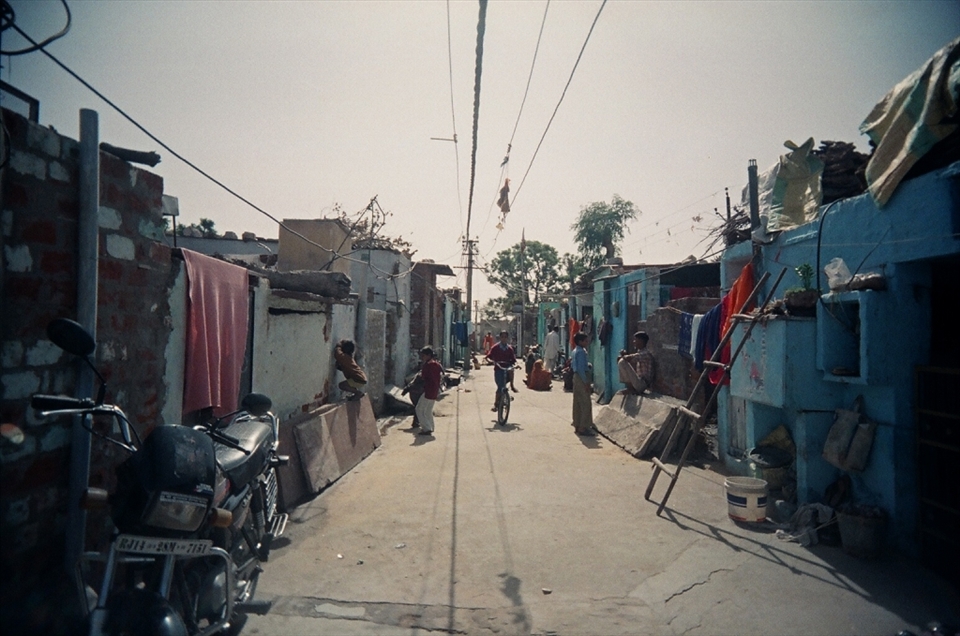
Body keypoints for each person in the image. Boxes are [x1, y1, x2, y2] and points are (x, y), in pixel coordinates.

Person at [485, 330, 517, 411]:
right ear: (500, 338)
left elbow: (513, 360)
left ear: (507, 338)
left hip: (507, 368)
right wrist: (490, 361)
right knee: (500, 388)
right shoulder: (495, 347)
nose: (504, 339)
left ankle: (512, 386)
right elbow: (489, 356)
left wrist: (516, 365)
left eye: (505, 337)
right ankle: (496, 404)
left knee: (511, 370)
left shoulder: (509, 349)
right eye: (502, 337)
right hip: (499, 369)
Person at [415, 346, 443, 436]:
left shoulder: (427, 366)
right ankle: (430, 426)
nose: (422, 357)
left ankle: (426, 428)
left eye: (424, 355)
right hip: (435, 390)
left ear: (429, 355)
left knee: (419, 409)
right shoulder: (437, 365)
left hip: (428, 390)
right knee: (428, 410)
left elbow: (423, 378)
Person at [571, 332, 594, 435]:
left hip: (576, 377)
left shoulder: (575, 351)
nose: (587, 342)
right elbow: (581, 368)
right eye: (585, 340)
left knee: (578, 402)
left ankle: (577, 424)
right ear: (580, 341)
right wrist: (586, 382)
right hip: (581, 377)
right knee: (585, 403)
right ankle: (583, 427)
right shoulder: (581, 352)